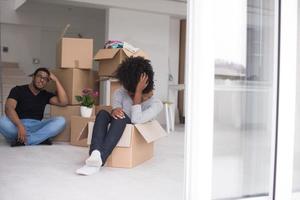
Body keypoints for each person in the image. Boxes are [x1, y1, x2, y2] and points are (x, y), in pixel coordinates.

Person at [76, 56, 163, 175]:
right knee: (102, 113)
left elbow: (136, 119)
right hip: (116, 124)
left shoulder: (156, 104)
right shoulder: (121, 91)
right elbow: (116, 104)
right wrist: (115, 110)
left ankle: (100, 159)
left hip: (126, 124)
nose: (127, 93)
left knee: (121, 118)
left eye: (132, 92)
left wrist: (137, 93)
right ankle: (95, 153)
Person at [0, 67, 68, 147]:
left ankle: (24, 140)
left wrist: (56, 80)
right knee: (2, 121)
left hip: (37, 126)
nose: (42, 80)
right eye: (40, 76)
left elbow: (64, 102)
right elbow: (9, 108)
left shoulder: (45, 95)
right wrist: (20, 126)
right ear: (33, 77)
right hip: (18, 124)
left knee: (61, 120)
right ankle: (40, 138)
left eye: (46, 79)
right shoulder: (17, 90)